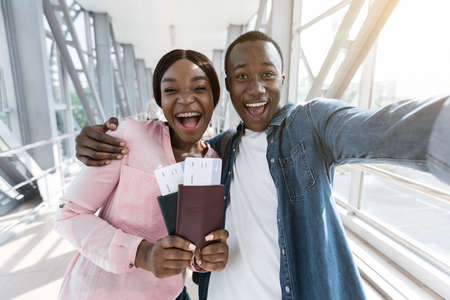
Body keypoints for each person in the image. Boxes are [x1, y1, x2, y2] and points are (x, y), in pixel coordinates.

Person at [75, 31, 450, 300]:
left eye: (267, 75)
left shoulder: (310, 126)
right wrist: (96, 138)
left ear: (282, 79)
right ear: (228, 86)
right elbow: (192, 239)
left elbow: (378, 128)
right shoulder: (217, 154)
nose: (255, 89)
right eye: (242, 77)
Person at [56, 49, 229, 300]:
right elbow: (68, 215)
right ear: (160, 101)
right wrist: (140, 253)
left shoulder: (214, 165)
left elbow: (192, 249)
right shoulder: (129, 137)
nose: (185, 100)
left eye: (199, 88)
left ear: (215, 98)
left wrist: (204, 259)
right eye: (171, 91)